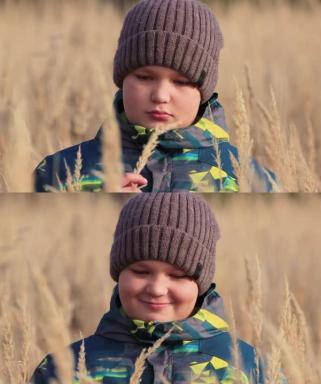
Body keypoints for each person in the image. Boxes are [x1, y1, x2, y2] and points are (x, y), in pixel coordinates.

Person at [34, 0, 276, 192]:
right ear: (122, 79)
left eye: (181, 82)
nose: (160, 95)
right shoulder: (59, 172)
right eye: (144, 77)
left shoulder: (248, 178)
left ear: (204, 91)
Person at [31, 193, 267, 382]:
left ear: (201, 283)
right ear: (118, 272)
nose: (157, 289)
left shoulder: (248, 367)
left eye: (178, 275)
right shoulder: (64, 368)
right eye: (141, 272)